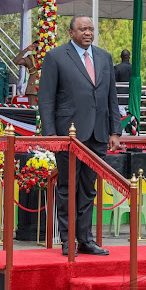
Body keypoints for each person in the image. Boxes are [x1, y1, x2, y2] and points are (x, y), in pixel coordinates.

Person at [38, 15, 121, 257]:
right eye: (82, 29)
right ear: (70, 32)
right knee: (67, 187)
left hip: (98, 133)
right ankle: (67, 240)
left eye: (91, 29)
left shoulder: (104, 57)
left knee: (88, 189)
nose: (88, 33)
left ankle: (86, 239)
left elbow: (111, 97)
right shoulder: (55, 57)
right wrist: (51, 133)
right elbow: (46, 98)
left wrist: (115, 130)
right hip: (69, 134)